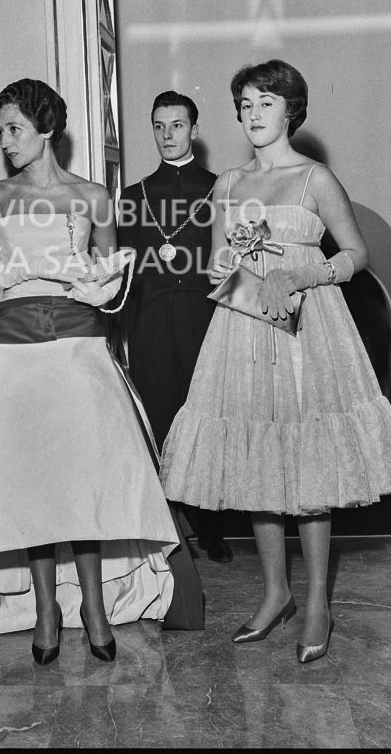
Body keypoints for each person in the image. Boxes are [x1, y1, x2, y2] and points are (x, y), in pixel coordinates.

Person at [0, 78, 203, 663]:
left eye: (14, 128)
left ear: (46, 129)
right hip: (13, 352)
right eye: (0, 130)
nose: (5, 141)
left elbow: (109, 288)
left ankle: (94, 606)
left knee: (83, 481)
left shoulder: (94, 196)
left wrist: (102, 280)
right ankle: (46, 609)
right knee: (35, 485)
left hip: (78, 348)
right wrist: (25, 268)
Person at [160, 59, 391, 664]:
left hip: (310, 328)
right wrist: (223, 269)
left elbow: (356, 253)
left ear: (291, 110)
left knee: (308, 463)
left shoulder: (314, 178)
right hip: (244, 329)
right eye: (246, 104)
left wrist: (305, 273)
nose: (254, 114)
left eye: (266, 102)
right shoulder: (227, 183)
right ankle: (275, 593)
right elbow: (216, 266)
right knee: (259, 458)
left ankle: (318, 601)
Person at [117, 90, 232, 563]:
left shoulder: (221, 188)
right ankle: (169, 530)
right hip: (151, 321)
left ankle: (212, 527)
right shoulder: (133, 196)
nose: (168, 135)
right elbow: (125, 274)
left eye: (177, 125)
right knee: (160, 417)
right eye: (159, 126)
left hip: (207, 318)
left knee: (208, 418)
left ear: (194, 130)